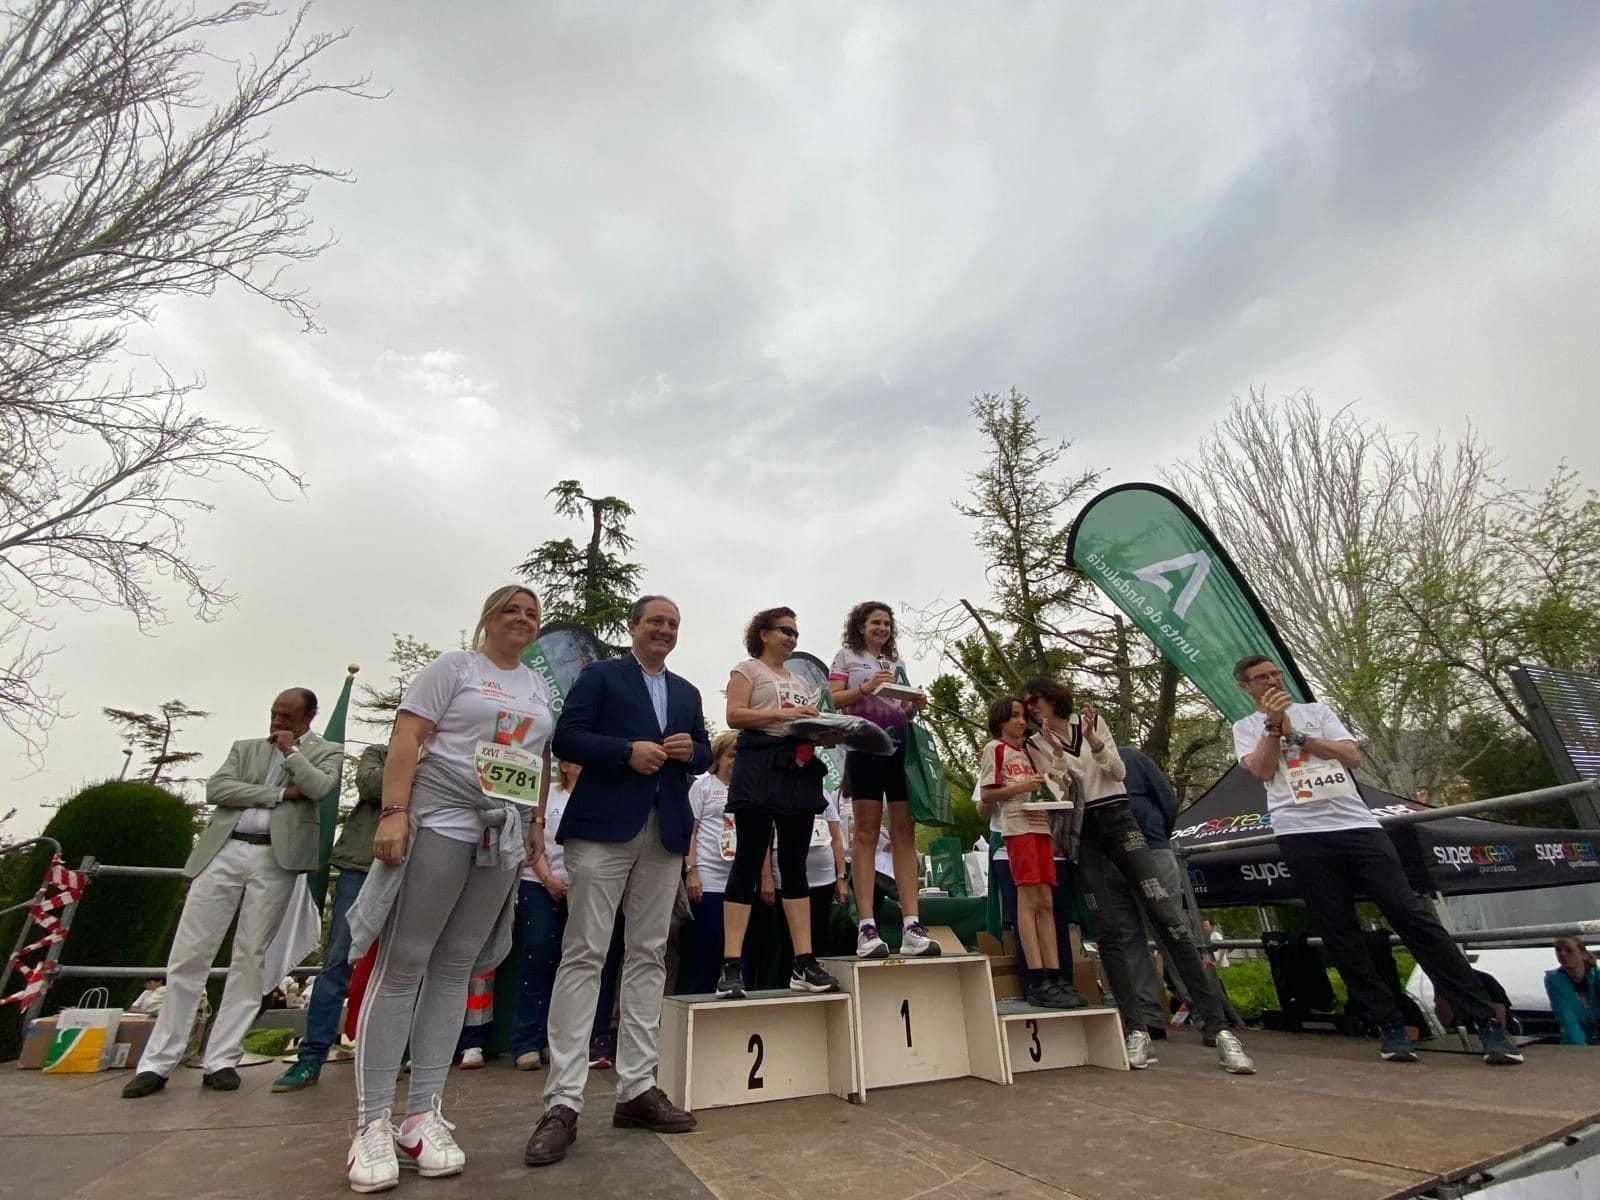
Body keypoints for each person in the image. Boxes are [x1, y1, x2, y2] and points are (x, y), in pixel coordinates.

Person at [343, 585, 554, 1193]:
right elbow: (407, 738)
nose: (522, 619)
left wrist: (535, 824)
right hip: (440, 816)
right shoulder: (454, 668)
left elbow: (537, 760)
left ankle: (422, 1114)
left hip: (500, 830)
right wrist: (394, 813)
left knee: (457, 967)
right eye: (511, 609)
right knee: (405, 961)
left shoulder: (538, 688)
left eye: (532, 613)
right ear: (487, 619)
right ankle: (371, 1122)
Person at [1232, 654, 1523, 1066]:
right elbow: (1262, 770)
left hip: (1356, 826)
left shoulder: (1317, 713)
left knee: (1411, 915)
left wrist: (1298, 735)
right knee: (1339, 930)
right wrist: (1273, 727)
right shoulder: (1245, 727)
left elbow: (1350, 756)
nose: (1273, 681)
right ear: (1246, 687)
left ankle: (1484, 1019)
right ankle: (1388, 1023)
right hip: (1300, 834)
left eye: (1275, 673)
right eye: (1262, 678)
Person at [525, 596, 711, 1169]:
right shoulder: (601, 677)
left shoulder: (687, 692)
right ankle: (562, 1102)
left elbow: (704, 753)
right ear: (633, 628)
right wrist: (625, 752)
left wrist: (691, 751)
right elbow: (568, 738)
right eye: (655, 621)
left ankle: (637, 1088)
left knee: (649, 953)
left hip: (665, 833)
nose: (664, 630)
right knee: (585, 952)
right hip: (603, 829)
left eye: (673, 624)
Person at [1023, 676, 1254, 1075]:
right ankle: (1136, 1028)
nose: (1032, 708)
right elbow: (1059, 792)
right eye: (1027, 703)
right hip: (1084, 832)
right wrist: (1058, 758)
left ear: (1053, 697)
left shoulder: (1090, 722)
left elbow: (1116, 772)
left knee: (1168, 919)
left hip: (1119, 820)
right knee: (1108, 931)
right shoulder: (1035, 743)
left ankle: (1219, 1028)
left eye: (1036, 699)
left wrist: (1094, 743)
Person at [122, 688, 343, 1101]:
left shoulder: (326, 751)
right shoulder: (245, 748)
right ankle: (158, 1061)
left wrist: (291, 753)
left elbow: (317, 788)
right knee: (189, 954)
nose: (277, 721)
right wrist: (278, 794)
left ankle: (222, 1058)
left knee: (250, 956)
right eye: (274, 713)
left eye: (287, 715)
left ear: (309, 716)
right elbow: (219, 789)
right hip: (225, 851)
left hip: (275, 859)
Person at [716, 607, 841, 999]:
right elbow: (734, 715)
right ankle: (731, 964)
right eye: (785, 631)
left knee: (794, 863)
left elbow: (803, 723)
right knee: (749, 860)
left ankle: (803, 961)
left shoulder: (800, 681)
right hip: (758, 763)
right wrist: (782, 714)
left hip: (797, 767)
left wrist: (824, 733)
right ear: (763, 633)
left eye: (796, 633)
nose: (791, 638)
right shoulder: (747, 670)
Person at [273, 742, 386, 1093]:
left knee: (403, 965)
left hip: (414, 871)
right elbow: (371, 785)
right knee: (338, 961)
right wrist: (416, 765)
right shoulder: (378, 754)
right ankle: (311, 1056)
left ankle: (393, 1054)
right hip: (361, 867)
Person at [828, 602, 939, 958]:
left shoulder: (896, 663)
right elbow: (832, 699)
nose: (882, 628)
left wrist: (912, 705)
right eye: (875, 622)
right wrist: (865, 688)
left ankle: (911, 925)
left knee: (905, 831)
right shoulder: (846, 656)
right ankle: (867, 926)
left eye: (887, 624)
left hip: (900, 749)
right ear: (860, 626)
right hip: (864, 746)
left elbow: (900, 708)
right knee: (867, 832)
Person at [509, 759, 624, 1071]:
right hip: (539, 882)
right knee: (539, 953)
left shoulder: (602, 797)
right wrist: (548, 878)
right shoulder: (549, 795)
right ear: (564, 767)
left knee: (579, 960)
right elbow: (531, 837)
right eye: (578, 761)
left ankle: (561, 1039)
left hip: (585, 888)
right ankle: (526, 1041)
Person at [976, 697, 1084, 1009]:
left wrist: (1058, 752)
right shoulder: (995, 749)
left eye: (1023, 716)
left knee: (1046, 901)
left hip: (1041, 825)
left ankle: (1056, 975)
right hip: (1016, 827)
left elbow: (1057, 780)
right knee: (1028, 901)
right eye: (1014, 716)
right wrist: (1020, 788)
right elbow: (988, 794)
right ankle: (1037, 979)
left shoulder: (1030, 751)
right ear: (1000, 720)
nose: (1021, 721)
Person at [679, 732, 773, 993]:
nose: (736, 761)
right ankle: (700, 999)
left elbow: (762, 837)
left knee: (742, 947)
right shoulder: (703, 787)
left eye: (742, 756)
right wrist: (691, 871)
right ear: (718, 758)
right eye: (732, 755)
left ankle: (738, 998)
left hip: (743, 881)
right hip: (709, 878)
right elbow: (691, 832)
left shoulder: (752, 788)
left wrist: (766, 877)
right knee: (708, 943)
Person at [1545, 937, 1599, 1046]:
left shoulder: (1597, 976)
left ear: (1583, 954)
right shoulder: (1554, 980)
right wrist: (1579, 1050)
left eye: (1569, 950)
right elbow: (1567, 1019)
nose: (1562, 954)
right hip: (1576, 1042)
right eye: (1558, 950)